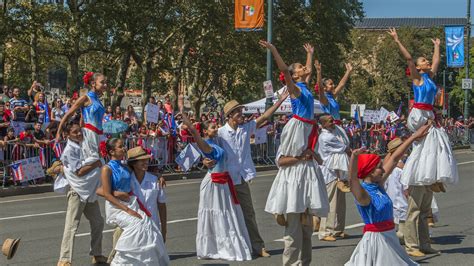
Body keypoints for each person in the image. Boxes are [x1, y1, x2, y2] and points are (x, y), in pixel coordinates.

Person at [203, 74, 289, 257]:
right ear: (230, 116)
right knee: (227, 215)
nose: (242, 114)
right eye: (238, 112)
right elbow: (207, 149)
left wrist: (280, 101)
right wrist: (204, 161)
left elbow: (265, 116)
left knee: (248, 213)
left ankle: (258, 246)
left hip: (240, 178)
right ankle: (230, 246)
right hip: (225, 179)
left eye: (241, 111)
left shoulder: (246, 128)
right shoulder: (219, 133)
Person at [389, 28, 457, 256]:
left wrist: (438, 46)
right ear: (417, 68)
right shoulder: (417, 79)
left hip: (428, 113)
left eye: (427, 60)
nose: (428, 61)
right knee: (416, 207)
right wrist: (398, 40)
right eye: (424, 60)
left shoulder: (428, 77)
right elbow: (408, 58)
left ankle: (424, 244)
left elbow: (436, 61)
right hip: (420, 112)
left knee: (425, 207)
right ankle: (412, 245)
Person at [259, 40, 329, 265]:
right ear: (294, 75)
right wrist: (274, 50)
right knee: (295, 232)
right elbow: (283, 70)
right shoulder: (295, 89)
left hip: (308, 126)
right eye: (299, 67)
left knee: (307, 229)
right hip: (299, 125)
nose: (303, 68)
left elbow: (307, 73)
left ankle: (305, 262)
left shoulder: (305, 86)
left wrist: (309, 54)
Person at [176, 94, 252, 261]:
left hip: (223, 182)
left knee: (226, 215)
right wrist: (186, 118)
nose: (215, 128)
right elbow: (195, 134)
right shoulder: (206, 143)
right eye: (211, 127)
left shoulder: (219, 140)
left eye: (215, 125)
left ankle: (224, 245)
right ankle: (214, 246)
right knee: (215, 214)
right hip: (213, 183)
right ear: (205, 131)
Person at [344, 122, 431, 266]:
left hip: (390, 237)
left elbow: (395, 158)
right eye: (379, 168)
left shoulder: (378, 185)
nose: (383, 170)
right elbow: (352, 179)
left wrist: (414, 137)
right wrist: (354, 157)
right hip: (377, 242)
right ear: (370, 171)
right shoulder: (364, 195)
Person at [97, 138, 169, 265]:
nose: (124, 148)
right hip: (117, 206)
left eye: (123, 145)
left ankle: (141, 259)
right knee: (138, 224)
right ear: (112, 151)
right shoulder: (106, 169)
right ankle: (118, 259)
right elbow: (101, 191)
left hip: (129, 202)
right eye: (120, 146)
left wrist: (158, 176)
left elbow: (141, 169)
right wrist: (119, 197)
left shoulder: (125, 167)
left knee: (146, 223)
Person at [57, 121, 106, 266]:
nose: (79, 134)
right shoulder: (69, 150)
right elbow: (79, 172)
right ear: (67, 135)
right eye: (75, 132)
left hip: (88, 190)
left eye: (79, 131)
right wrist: (96, 163)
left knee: (98, 222)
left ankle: (96, 254)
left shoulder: (84, 143)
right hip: (77, 191)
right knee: (71, 226)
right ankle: (64, 259)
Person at [56, 72, 106, 178]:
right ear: (93, 83)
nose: (105, 85)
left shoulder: (98, 100)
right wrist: (58, 133)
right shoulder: (85, 98)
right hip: (90, 133)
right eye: (102, 82)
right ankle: (66, 170)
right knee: (93, 161)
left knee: (100, 164)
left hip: (99, 134)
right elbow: (67, 115)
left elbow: (83, 118)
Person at [317, 115, 351, 242]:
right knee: (331, 202)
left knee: (340, 203)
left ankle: (338, 229)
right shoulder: (327, 137)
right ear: (323, 124)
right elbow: (345, 147)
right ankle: (325, 231)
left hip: (339, 172)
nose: (333, 123)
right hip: (330, 173)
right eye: (330, 122)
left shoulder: (333, 132)